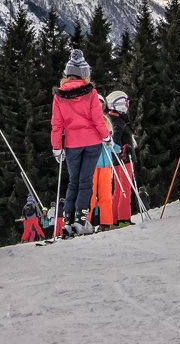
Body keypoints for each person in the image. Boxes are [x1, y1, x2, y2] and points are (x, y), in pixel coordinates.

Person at [50, 48, 109, 235]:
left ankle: (67, 222)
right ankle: (81, 222)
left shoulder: (58, 95)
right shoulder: (90, 93)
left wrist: (56, 147)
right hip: (92, 142)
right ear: (85, 74)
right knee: (85, 183)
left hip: (72, 144)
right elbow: (98, 119)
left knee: (73, 183)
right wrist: (106, 136)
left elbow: (56, 125)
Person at [105, 90, 136, 225]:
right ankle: (123, 218)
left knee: (119, 189)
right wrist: (122, 150)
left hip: (119, 159)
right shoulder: (118, 121)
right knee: (125, 188)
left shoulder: (115, 118)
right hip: (124, 159)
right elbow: (114, 140)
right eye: (124, 103)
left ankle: (114, 218)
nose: (127, 106)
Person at [87, 97, 116, 231]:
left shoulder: (105, 120)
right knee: (90, 195)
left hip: (106, 165)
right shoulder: (87, 120)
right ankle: (86, 221)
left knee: (105, 195)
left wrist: (116, 147)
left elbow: (111, 141)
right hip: (92, 164)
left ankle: (106, 222)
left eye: (100, 105)